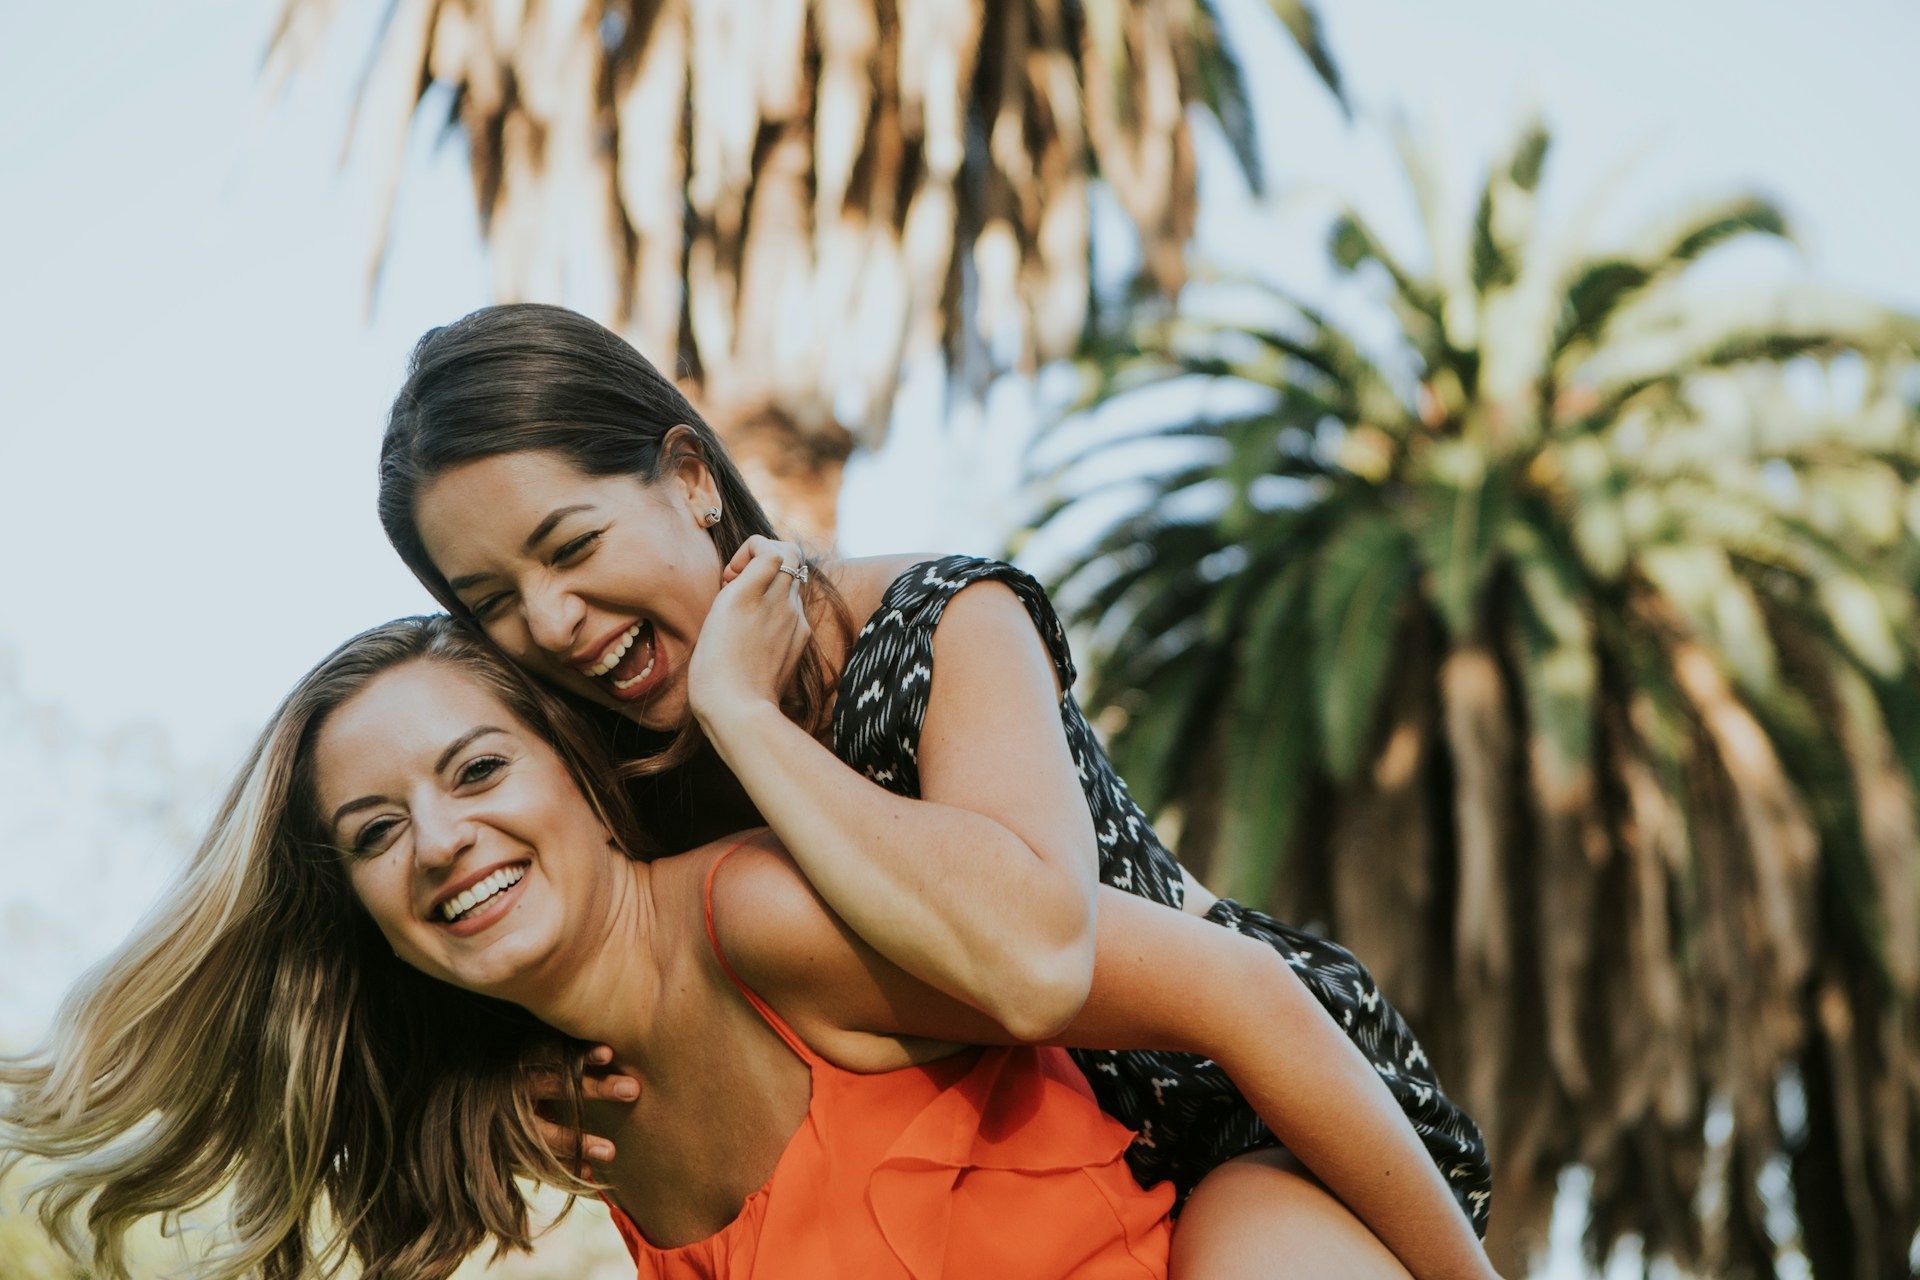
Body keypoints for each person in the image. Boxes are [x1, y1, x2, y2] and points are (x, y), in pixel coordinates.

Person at [375, 303, 1494, 1255]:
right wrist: (511, 1074)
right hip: (1035, 1191)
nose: (554, 622)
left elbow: (1038, 962)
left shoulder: (947, 620)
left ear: (688, 477)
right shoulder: (604, 787)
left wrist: (745, 714)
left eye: (570, 547)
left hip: (1257, 1101)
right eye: (494, 601)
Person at [0, 617, 1498, 1280]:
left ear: (582, 779)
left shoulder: (762, 922)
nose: (439, 841)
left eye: (474, 772)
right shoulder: (582, 1114)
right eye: (376, 833)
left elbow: (1243, 987)